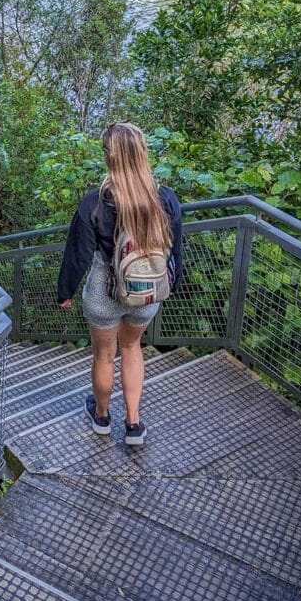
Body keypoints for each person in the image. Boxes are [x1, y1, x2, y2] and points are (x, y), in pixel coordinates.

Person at [57, 122, 183, 446]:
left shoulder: (96, 201)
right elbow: (175, 247)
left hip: (104, 291)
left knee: (103, 355)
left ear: (109, 157)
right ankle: (134, 424)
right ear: (143, 152)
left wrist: (65, 291)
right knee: (132, 348)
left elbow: (79, 252)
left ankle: (101, 417)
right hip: (148, 291)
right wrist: (173, 281)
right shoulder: (164, 199)